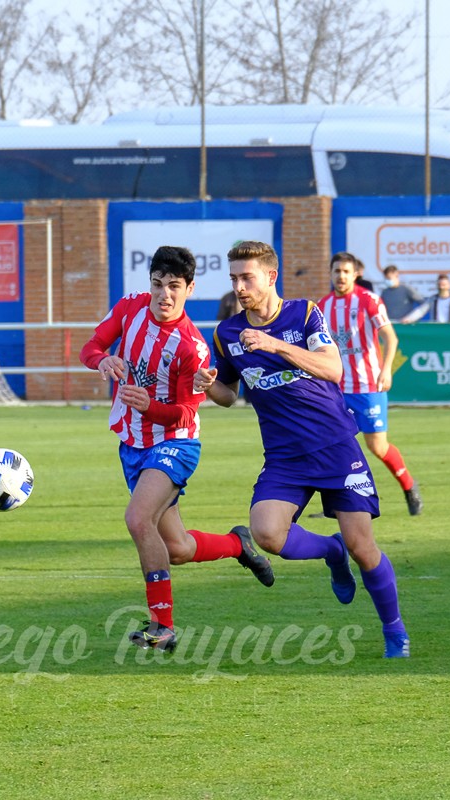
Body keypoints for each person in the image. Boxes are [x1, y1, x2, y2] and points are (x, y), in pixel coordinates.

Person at [195, 240, 409, 658]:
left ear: (271, 277)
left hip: (334, 446)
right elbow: (229, 394)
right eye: (234, 278)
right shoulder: (227, 334)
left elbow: (333, 368)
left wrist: (276, 345)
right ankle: (331, 551)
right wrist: (209, 386)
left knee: (364, 549)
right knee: (267, 534)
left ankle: (394, 630)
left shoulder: (305, 313)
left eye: (247, 277)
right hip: (284, 457)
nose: (239, 287)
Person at [80, 245, 274, 653]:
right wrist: (101, 362)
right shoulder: (130, 309)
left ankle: (162, 627)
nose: (164, 294)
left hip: (174, 445)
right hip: (131, 444)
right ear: (148, 284)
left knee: (137, 520)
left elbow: (184, 414)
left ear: (189, 289)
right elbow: (92, 346)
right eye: (157, 284)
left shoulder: (193, 347)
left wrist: (148, 405)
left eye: (174, 286)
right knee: (179, 549)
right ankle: (238, 544)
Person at [317, 251, 423, 516]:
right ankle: (336, 504)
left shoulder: (369, 300)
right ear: (331, 274)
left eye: (345, 271)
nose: (340, 276)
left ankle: (409, 486)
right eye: (336, 271)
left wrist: (386, 370)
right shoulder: (323, 306)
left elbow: (391, 337)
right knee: (331, 445)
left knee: (377, 446)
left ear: (355, 274)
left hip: (367, 386)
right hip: (337, 389)